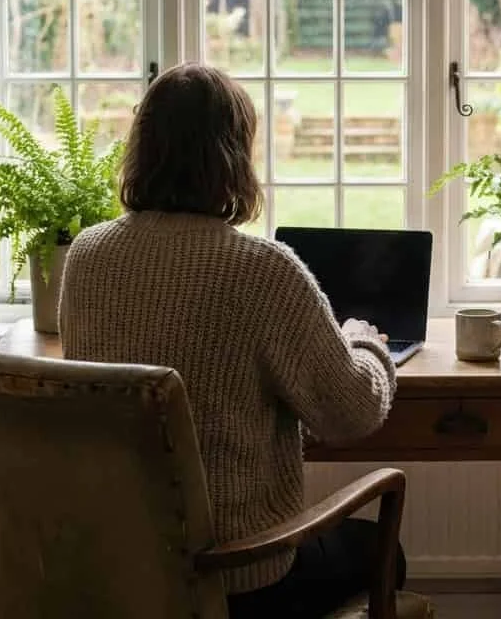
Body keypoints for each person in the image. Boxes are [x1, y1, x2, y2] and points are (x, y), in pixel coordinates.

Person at [59, 62, 404, 618]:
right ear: (234, 157)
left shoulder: (87, 256)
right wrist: (366, 345)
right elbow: (352, 413)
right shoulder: (259, 270)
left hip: (120, 575)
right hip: (240, 579)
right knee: (385, 554)